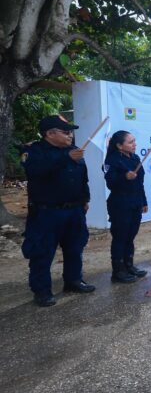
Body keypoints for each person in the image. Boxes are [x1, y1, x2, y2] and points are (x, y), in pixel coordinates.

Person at [21, 115, 94, 307]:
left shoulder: (73, 151)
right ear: (50, 134)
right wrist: (65, 158)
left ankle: (73, 281)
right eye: (66, 131)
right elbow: (35, 171)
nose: (70, 135)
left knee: (75, 248)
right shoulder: (34, 152)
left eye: (71, 131)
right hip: (47, 213)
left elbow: (83, 179)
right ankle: (42, 291)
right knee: (42, 253)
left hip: (74, 210)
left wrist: (84, 199)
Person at [104, 130, 148, 284]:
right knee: (120, 237)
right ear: (119, 145)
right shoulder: (112, 160)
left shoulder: (135, 157)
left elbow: (140, 183)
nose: (134, 144)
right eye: (130, 142)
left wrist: (144, 202)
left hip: (135, 202)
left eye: (134, 141)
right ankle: (118, 270)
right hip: (120, 203)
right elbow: (111, 183)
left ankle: (129, 265)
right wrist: (124, 177)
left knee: (130, 236)